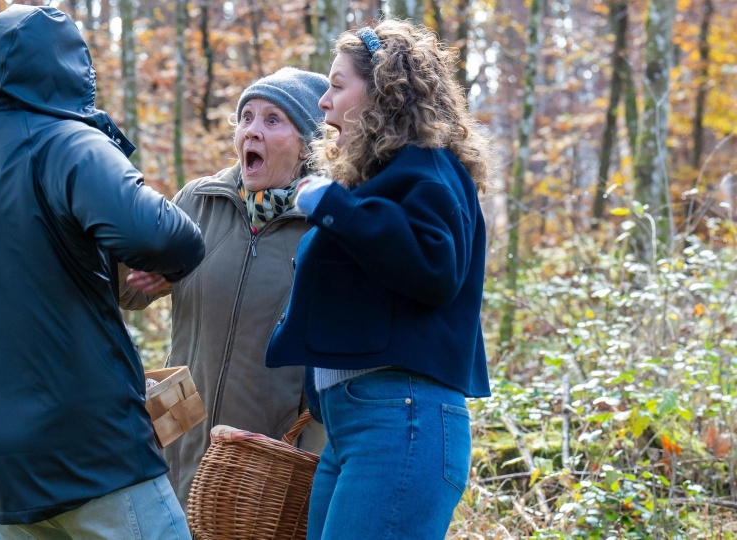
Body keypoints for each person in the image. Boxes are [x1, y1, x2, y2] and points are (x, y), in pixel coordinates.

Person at [0, 6, 204, 539]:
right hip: (97, 455)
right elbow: (169, 237)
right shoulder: (68, 143)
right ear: (71, 69)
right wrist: (167, 267)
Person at [265, 20, 493, 540]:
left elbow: (435, 269)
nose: (323, 102)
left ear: (384, 92)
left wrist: (337, 208)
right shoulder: (378, 183)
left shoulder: (430, 169)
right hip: (358, 425)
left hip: (401, 421)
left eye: (336, 85)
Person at [121, 67, 330, 506]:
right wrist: (119, 246)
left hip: (266, 462)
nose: (252, 130)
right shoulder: (198, 201)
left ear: (306, 144)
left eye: (273, 120)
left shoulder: (326, 226)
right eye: (246, 117)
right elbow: (130, 293)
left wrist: (307, 451)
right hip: (178, 448)